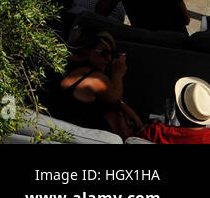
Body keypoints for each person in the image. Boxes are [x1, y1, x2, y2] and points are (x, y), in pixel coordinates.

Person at [44, 27, 210, 143]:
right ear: (84, 49)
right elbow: (116, 98)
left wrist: (125, 107)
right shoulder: (94, 77)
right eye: (104, 53)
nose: (109, 59)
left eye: (111, 54)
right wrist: (118, 73)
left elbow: (116, 100)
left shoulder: (63, 68)